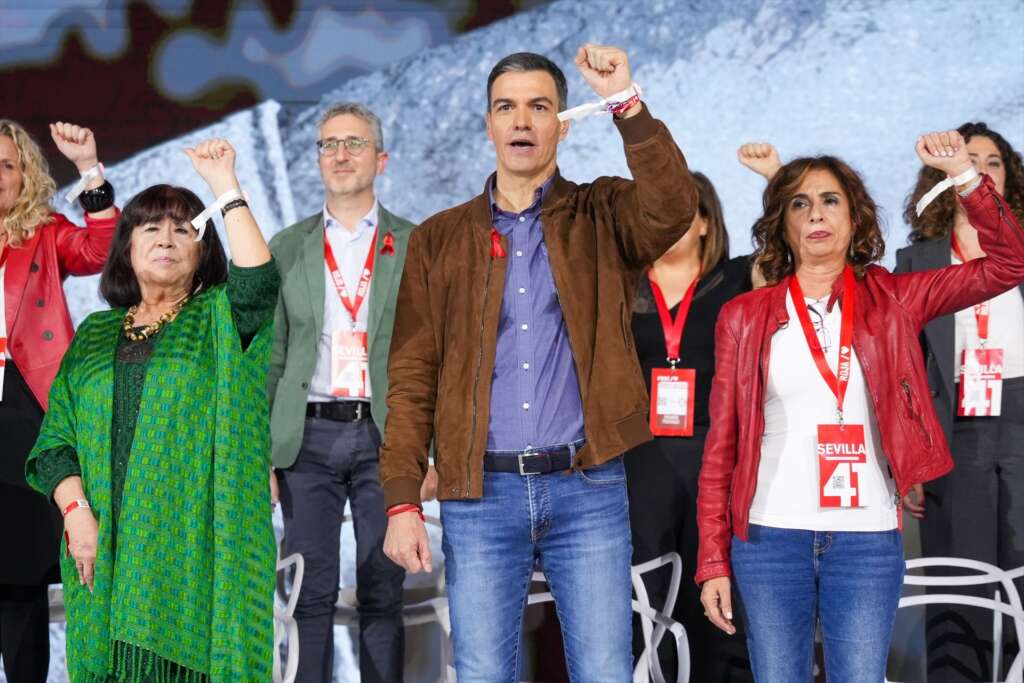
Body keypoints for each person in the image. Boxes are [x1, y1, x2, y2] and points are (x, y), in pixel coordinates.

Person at [379, 45, 698, 682]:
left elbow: (671, 206)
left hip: (587, 486)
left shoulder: (602, 214)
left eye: (539, 106)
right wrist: (401, 501)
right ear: (489, 125)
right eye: (506, 107)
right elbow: (412, 373)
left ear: (563, 122)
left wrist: (626, 103)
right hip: (479, 495)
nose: (522, 121)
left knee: (605, 671)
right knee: (482, 672)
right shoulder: (440, 239)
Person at [696, 130, 1024, 681]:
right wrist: (712, 559)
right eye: (799, 203)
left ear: (855, 219)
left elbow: (1008, 265)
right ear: (784, 221)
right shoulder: (745, 314)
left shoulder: (895, 296)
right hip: (769, 537)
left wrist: (964, 177)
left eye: (830, 201)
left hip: (867, 538)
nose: (816, 214)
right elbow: (721, 445)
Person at [25, 138, 279, 682]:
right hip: (104, 550)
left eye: (184, 229)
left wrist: (225, 187)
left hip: (195, 556)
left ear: (202, 249)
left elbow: (259, 282)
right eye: (150, 227)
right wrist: (76, 515)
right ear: (126, 249)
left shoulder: (219, 317)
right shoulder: (94, 334)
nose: (167, 238)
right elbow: (54, 444)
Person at [267, 102, 424, 683]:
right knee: (310, 587)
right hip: (306, 437)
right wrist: (264, 450)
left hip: (386, 433)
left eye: (353, 143)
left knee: (383, 589)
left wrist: (427, 448)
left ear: (381, 159)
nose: (339, 154)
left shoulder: (415, 243)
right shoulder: (288, 246)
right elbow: (274, 356)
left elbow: (432, 353)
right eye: (328, 144)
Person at [896, 121, 1024, 682]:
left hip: (1022, 420)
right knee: (961, 588)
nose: (980, 170)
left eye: (992, 162)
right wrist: (910, 456)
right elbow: (903, 371)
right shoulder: (915, 262)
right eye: (967, 160)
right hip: (953, 430)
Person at [623, 170, 753, 681]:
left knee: (716, 594)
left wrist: (773, 176)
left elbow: (795, 257)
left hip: (715, 457)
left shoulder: (738, 281)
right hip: (641, 461)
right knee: (646, 595)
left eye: (682, 211)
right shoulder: (621, 287)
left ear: (705, 222)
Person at [0, 119, 117, 682]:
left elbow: (99, 249)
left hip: (25, 404)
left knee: (20, 570)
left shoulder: (43, 231)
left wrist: (89, 169)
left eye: (7, 165)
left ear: (25, 174)